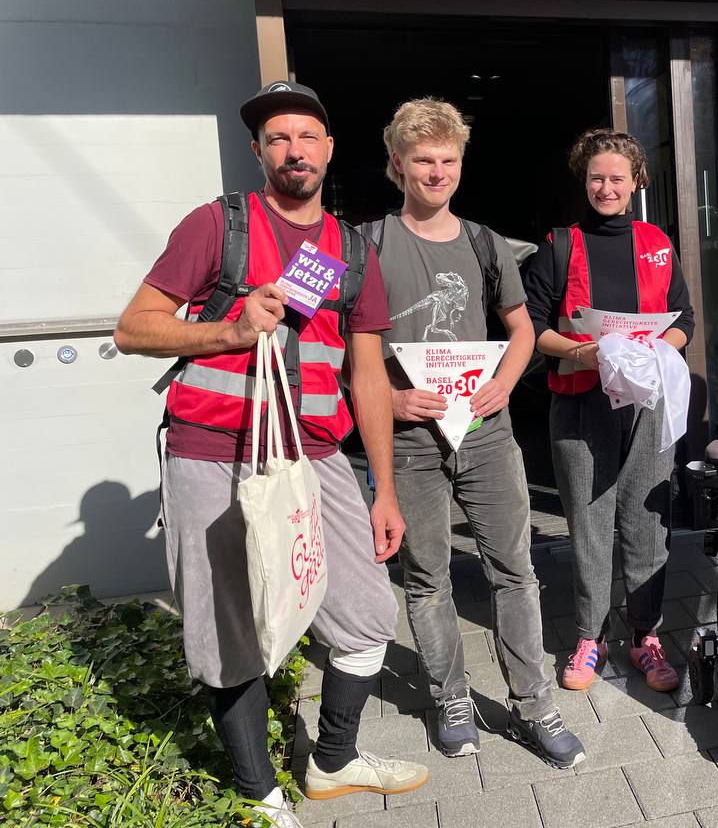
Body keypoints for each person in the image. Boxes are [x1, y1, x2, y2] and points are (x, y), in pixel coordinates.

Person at [114, 81, 428, 826]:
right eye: (278, 138)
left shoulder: (352, 250)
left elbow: (367, 378)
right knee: (228, 628)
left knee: (366, 613)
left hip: (315, 455)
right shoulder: (218, 225)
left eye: (307, 136)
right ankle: (260, 795)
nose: (294, 150)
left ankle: (333, 761)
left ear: (329, 149)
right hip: (210, 450)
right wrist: (228, 330)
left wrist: (384, 491)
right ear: (258, 151)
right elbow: (133, 328)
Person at [371, 97, 584, 767]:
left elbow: (521, 330)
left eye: (449, 159)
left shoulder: (485, 242)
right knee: (427, 577)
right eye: (423, 160)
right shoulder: (367, 243)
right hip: (412, 440)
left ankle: (534, 705)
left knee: (515, 572)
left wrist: (506, 381)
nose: (437, 172)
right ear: (397, 164)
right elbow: (343, 349)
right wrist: (389, 398)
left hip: (487, 433)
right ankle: (451, 699)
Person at [523, 129, 695, 693]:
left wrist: (656, 350)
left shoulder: (657, 242)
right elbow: (532, 327)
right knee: (590, 525)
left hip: (647, 406)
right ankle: (589, 636)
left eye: (617, 178)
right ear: (584, 180)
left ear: (636, 181)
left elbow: (684, 321)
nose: (606, 187)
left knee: (647, 522)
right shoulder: (559, 245)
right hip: (580, 404)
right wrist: (583, 352)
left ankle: (646, 635)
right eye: (597, 177)